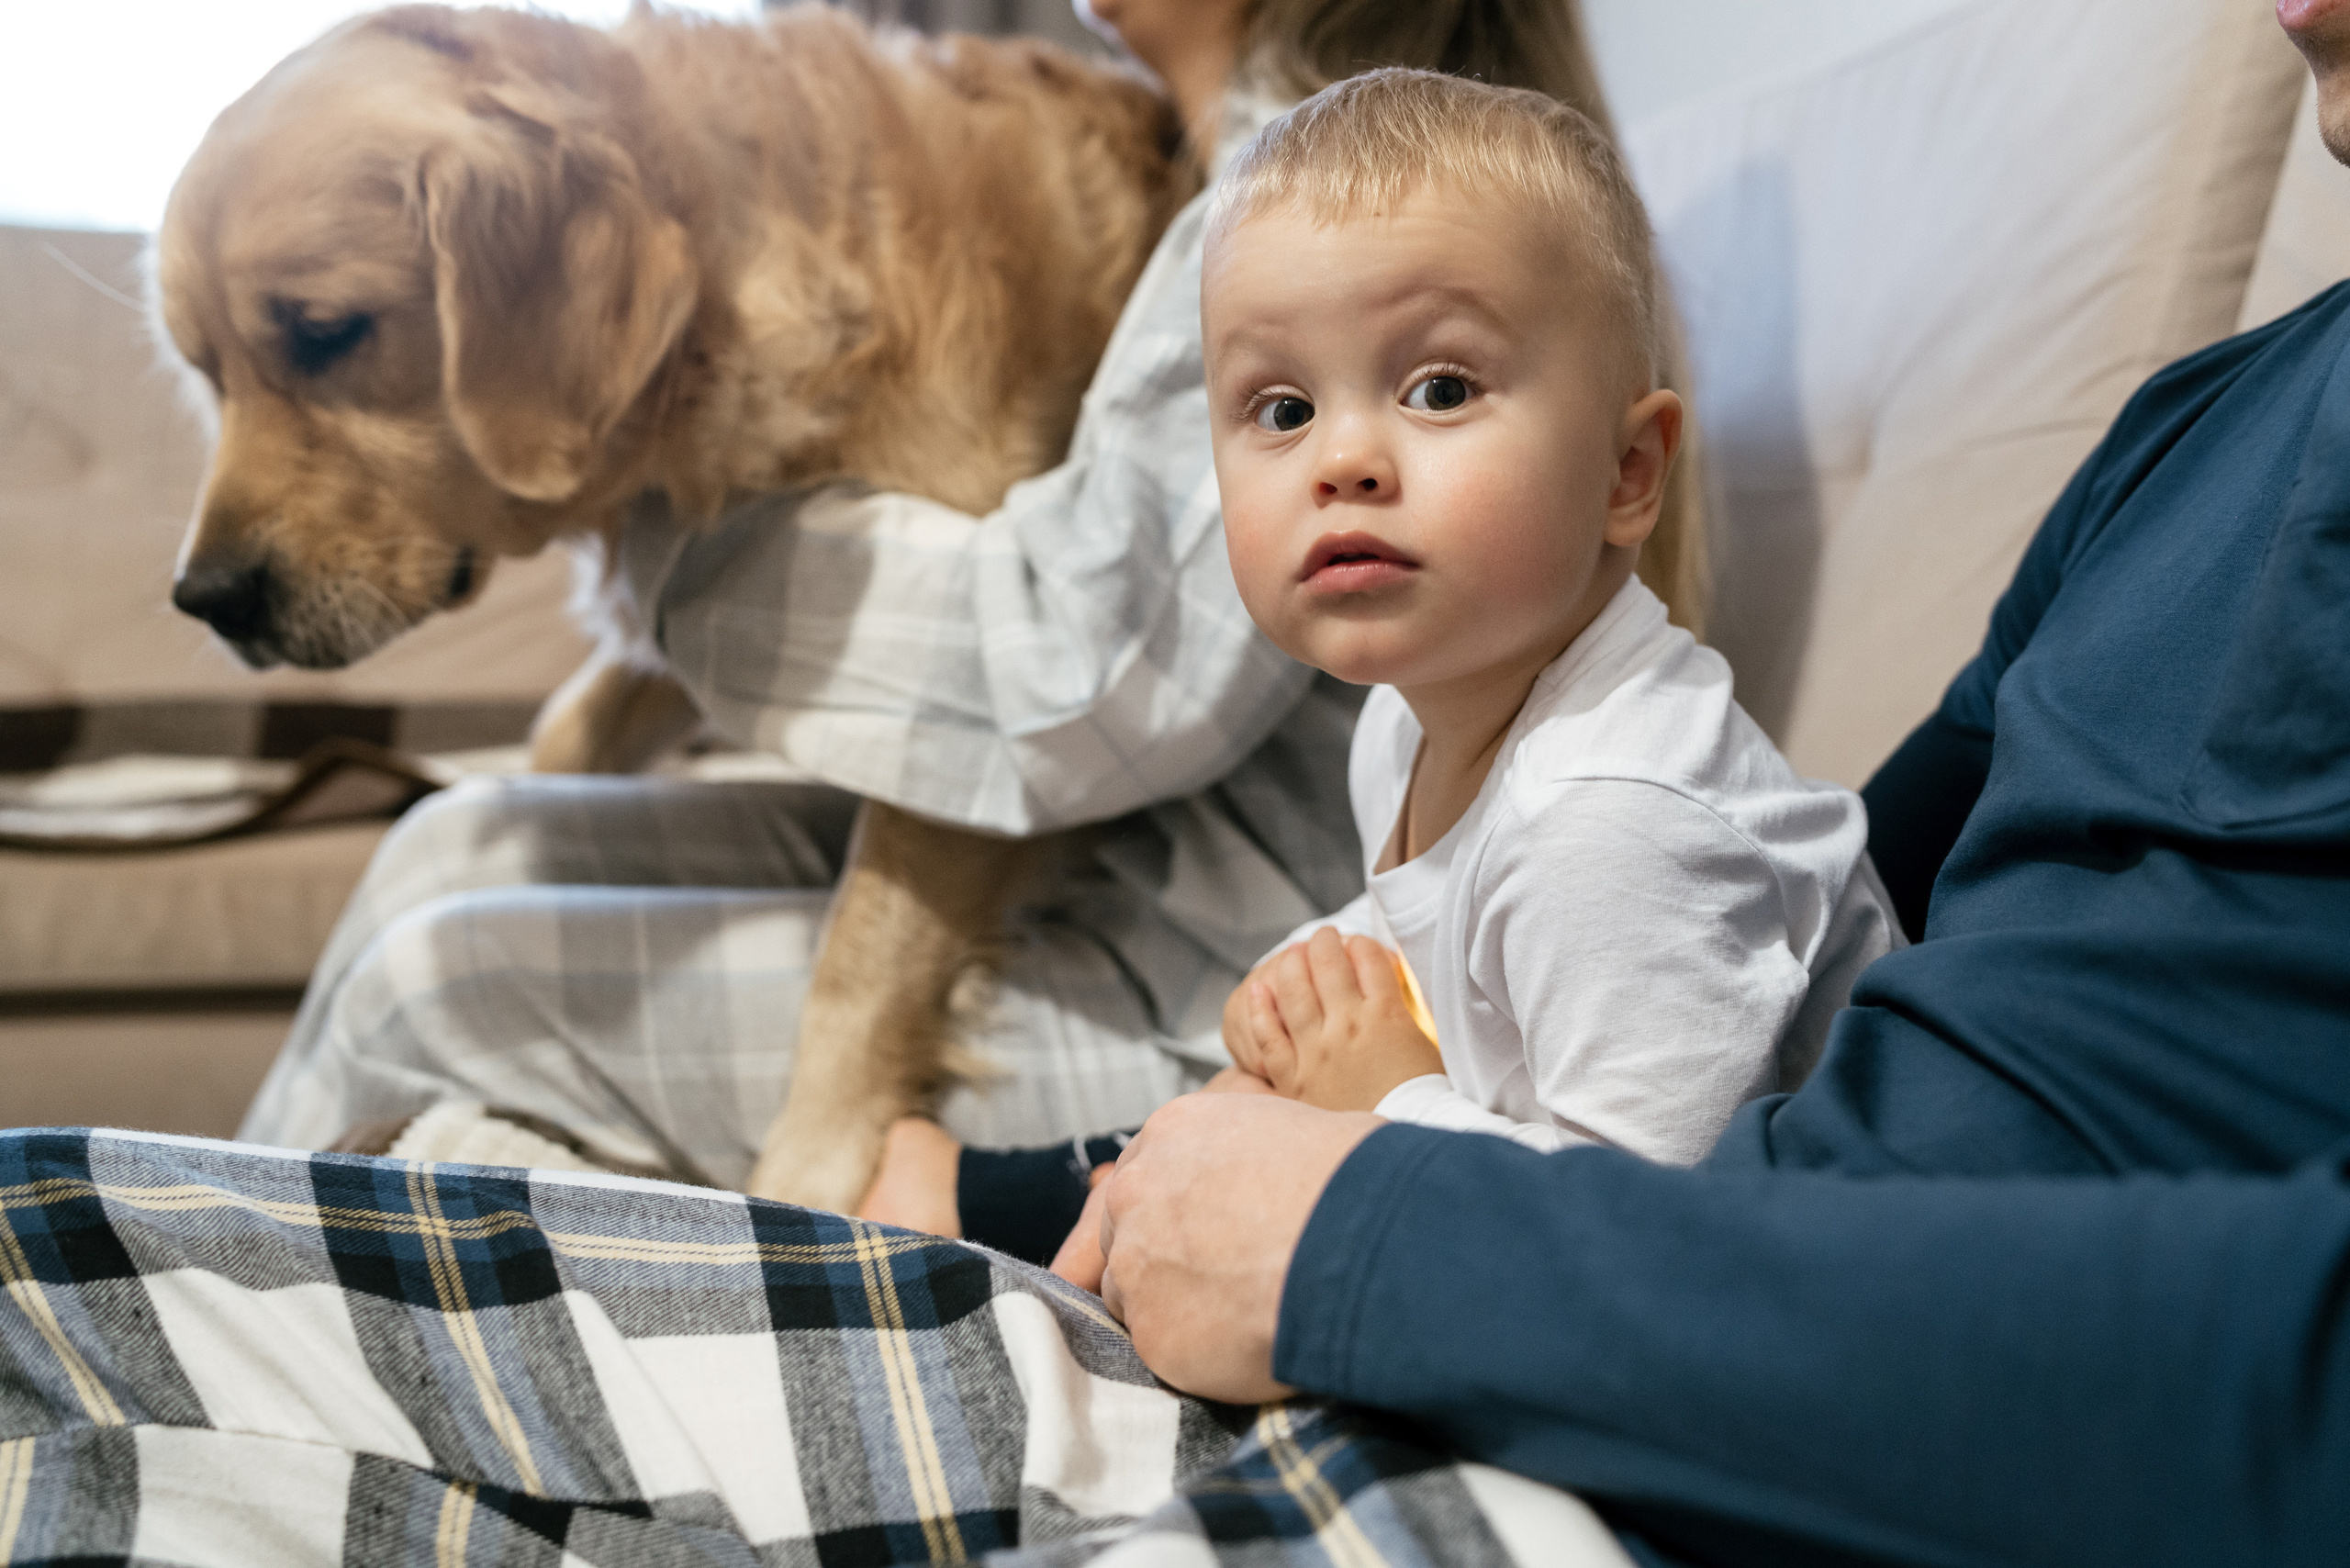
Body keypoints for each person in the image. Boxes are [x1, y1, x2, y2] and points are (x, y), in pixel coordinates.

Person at [12, 8, 2350, 1568]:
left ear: (1623, 467)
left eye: (1431, 395)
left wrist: (1337, 1216)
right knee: (61, 1259)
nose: (1342, 459)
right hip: (1480, 1270)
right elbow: (1835, 914)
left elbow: (1657, 1144)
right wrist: (1049, 1178)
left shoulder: (1615, 820)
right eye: (1272, 416)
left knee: (105, 1338)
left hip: (1611, 1410)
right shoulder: (2192, 431)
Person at [227, 0, 1684, 1212]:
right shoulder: (1197, 170)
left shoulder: (1329, 218)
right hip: (1145, 864)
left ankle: (189, 1340)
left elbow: (1069, 686)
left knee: (437, 987)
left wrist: (653, 476)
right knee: (454, 844)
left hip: (1245, 986)